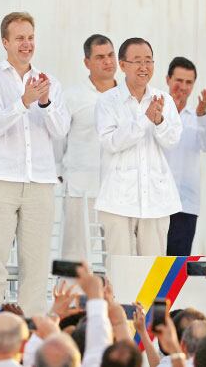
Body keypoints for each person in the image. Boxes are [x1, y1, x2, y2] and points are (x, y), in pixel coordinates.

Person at [0, 12, 70, 316]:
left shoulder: (50, 82)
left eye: (30, 37)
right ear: (5, 42)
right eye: (19, 38)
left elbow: (61, 130)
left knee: (37, 264)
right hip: (0, 180)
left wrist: (45, 102)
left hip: (40, 181)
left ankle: (32, 329)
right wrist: (23, 101)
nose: (26, 44)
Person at [94, 37, 182, 257]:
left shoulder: (164, 100)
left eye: (148, 61)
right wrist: (144, 120)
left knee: (154, 269)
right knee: (120, 268)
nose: (144, 67)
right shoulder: (107, 101)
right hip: (118, 200)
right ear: (123, 65)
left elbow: (172, 141)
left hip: (156, 199)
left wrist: (159, 121)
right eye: (138, 61)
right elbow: (111, 142)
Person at [61, 34, 118, 261]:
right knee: (74, 259)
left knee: (118, 260)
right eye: (100, 57)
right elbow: (58, 139)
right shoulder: (72, 97)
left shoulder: (126, 96)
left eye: (111, 55)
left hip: (118, 192)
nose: (108, 61)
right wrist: (61, 173)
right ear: (87, 62)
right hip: (81, 190)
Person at [164, 57, 206, 256]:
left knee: (177, 264)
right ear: (168, 79)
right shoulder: (155, 110)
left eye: (188, 82)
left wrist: (202, 114)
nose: (183, 87)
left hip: (185, 202)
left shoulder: (198, 117)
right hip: (156, 201)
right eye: (178, 80)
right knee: (151, 262)